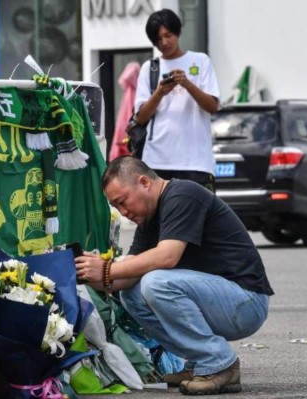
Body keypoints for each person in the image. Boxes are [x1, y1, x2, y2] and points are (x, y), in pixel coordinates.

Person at [75, 156, 273, 395]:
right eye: (116, 207)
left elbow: (166, 256)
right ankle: (201, 362)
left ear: (144, 183)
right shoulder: (148, 219)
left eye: (122, 202)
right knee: (132, 293)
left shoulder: (183, 195)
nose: (123, 212)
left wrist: (106, 269)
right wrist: (88, 274)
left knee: (155, 283)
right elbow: (126, 274)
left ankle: (219, 364)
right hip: (222, 301)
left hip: (246, 302)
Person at [129, 8, 220, 192]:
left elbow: (213, 106)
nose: (164, 42)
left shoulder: (200, 61)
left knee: (198, 217)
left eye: (168, 35)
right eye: (158, 39)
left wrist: (187, 84)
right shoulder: (150, 68)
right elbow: (140, 117)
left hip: (196, 161)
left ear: (177, 32)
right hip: (157, 159)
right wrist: (160, 92)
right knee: (160, 218)